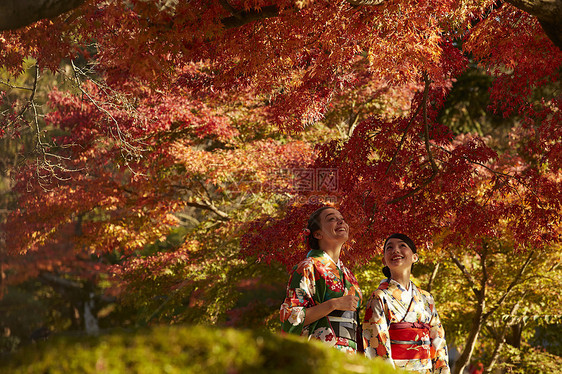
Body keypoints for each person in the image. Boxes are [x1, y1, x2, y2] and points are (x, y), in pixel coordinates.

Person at [280, 206, 363, 353]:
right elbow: (290, 318)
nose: (340, 222)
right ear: (318, 234)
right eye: (332, 219)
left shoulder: (348, 274)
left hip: (351, 351)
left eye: (342, 219)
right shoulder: (307, 267)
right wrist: (334, 304)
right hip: (321, 351)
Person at [363, 233, 450, 373]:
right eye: (389, 248)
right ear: (384, 260)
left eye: (402, 246)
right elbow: (377, 342)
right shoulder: (379, 297)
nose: (395, 250)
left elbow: (438, 340)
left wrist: (442, 370)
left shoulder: (426, 299)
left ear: (415, 257)